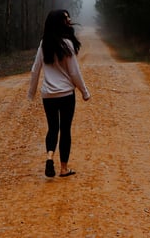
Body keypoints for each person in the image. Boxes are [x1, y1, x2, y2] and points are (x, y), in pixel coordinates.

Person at [27, 9, 91, 177]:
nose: (69, 20)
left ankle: (49, 157)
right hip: (66, 95)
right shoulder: (67, 44)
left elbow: (35, 70)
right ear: (59, 23)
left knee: (53, 128)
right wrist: (84, 92)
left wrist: (31, 93)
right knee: (65, 129)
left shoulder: (44, 44)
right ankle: (63, 168)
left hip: (48, 95)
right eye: (65, 18)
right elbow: (74, 73)